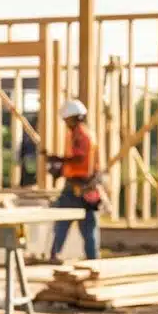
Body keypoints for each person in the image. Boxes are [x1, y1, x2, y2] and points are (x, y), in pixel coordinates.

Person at [47, 99, 101, 261]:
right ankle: (91, 258)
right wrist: (61, 168)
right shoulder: (76, 134)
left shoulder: (82, 136)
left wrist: (59, 160)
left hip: (80, 186)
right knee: (84, 225)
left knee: (67, 222)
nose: (65, 122)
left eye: (67, 119)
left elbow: (79, 158)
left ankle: (57, 255)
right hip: (80, 185)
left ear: (75, 118)